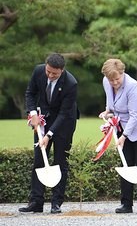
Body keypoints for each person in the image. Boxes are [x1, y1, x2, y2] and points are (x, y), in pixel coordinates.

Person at [98, 59, 137, 214]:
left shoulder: (133, 87)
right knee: (126, 162)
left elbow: (135, 115)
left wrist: (124, 136)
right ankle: (126, 204)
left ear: (123, 73)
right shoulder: (107, 81)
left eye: (117, 79)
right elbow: (111, 100)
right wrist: (107, 111)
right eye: (111, 79)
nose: (114, 82)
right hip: (123, 123)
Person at [19, 53, 78, 214]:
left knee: (60, 161)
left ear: (62, 70)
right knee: (39, 159)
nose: (51, 75)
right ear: (45, 66)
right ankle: (36, 202)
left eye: (55, 73)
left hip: (64, 122)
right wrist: (33, 114)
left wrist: (49, 135)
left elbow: (64, 113)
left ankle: (56, 203)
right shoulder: (38, 71)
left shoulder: (71, 83)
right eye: (48, 72)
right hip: (42, 119)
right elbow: (30, 93)